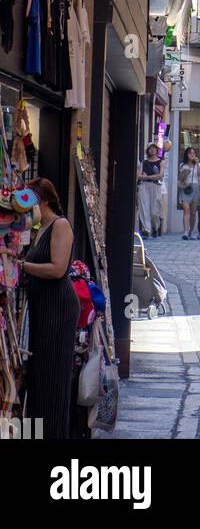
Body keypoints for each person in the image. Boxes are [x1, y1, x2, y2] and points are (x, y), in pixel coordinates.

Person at [17, 177, 80, 439]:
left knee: (51, 377)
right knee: (38, 375)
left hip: (57, 308)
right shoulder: (40, 228)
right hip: (42, 309)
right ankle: (36, 434)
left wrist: (23, 266)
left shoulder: (60, 225)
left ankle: (52, 435)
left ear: (42, 200)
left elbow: (58, 268)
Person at [137, 143, 164, 239]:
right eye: (150, 148)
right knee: (144, 208)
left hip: (156, 186)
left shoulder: (160, 162)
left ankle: (155, 227)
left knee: (155, 210)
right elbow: (139, 176)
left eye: (154, 148)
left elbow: (160, 175)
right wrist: (147, 177)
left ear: (157, 150)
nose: (152, 150)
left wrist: (147, 176)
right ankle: (146, 230)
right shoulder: (144, 162)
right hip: (144, 186)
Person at [178, 146, 200, 240]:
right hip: (186, 187)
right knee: (186, 210)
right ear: (187, 155)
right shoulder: (183, 165)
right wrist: (185, 173)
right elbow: (181, 179)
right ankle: (186, 232)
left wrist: (198, 164)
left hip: (195, 187)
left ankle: (191, 231)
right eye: (190, 153)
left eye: (193, 153)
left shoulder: (197, 165)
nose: (192, 155)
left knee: (193, 212)